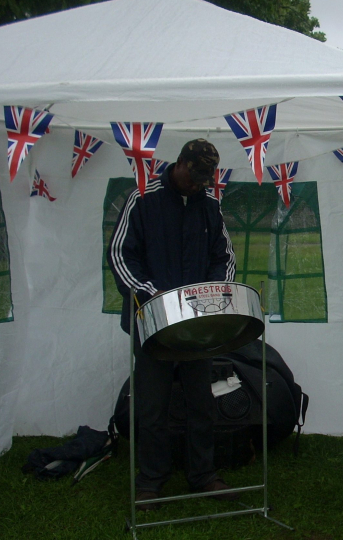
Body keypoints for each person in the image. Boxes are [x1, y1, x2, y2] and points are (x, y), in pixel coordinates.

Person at [108, 139, 237, 510]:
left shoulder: (210, 205)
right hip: (152, 320)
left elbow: (224, 257)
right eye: (193, 176)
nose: (197, 184)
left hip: (196, 326)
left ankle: (203, 474)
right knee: (152, 405)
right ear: (179, 164)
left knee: (201, 401)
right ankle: (150, 480)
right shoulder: (143, 197)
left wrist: (212, 294)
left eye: (203, 179)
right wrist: (154, 295)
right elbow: (120, 254)